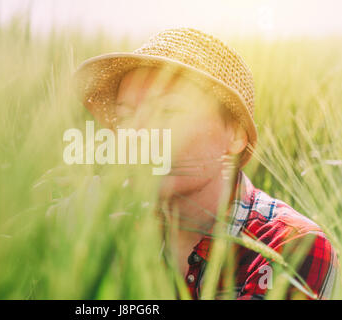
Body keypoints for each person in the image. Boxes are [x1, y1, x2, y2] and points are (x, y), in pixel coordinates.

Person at [74, 28, 338, 299]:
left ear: (235, 135)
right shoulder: (112, 235)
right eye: (126, 116)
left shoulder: (293, 246)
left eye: (168, 111)